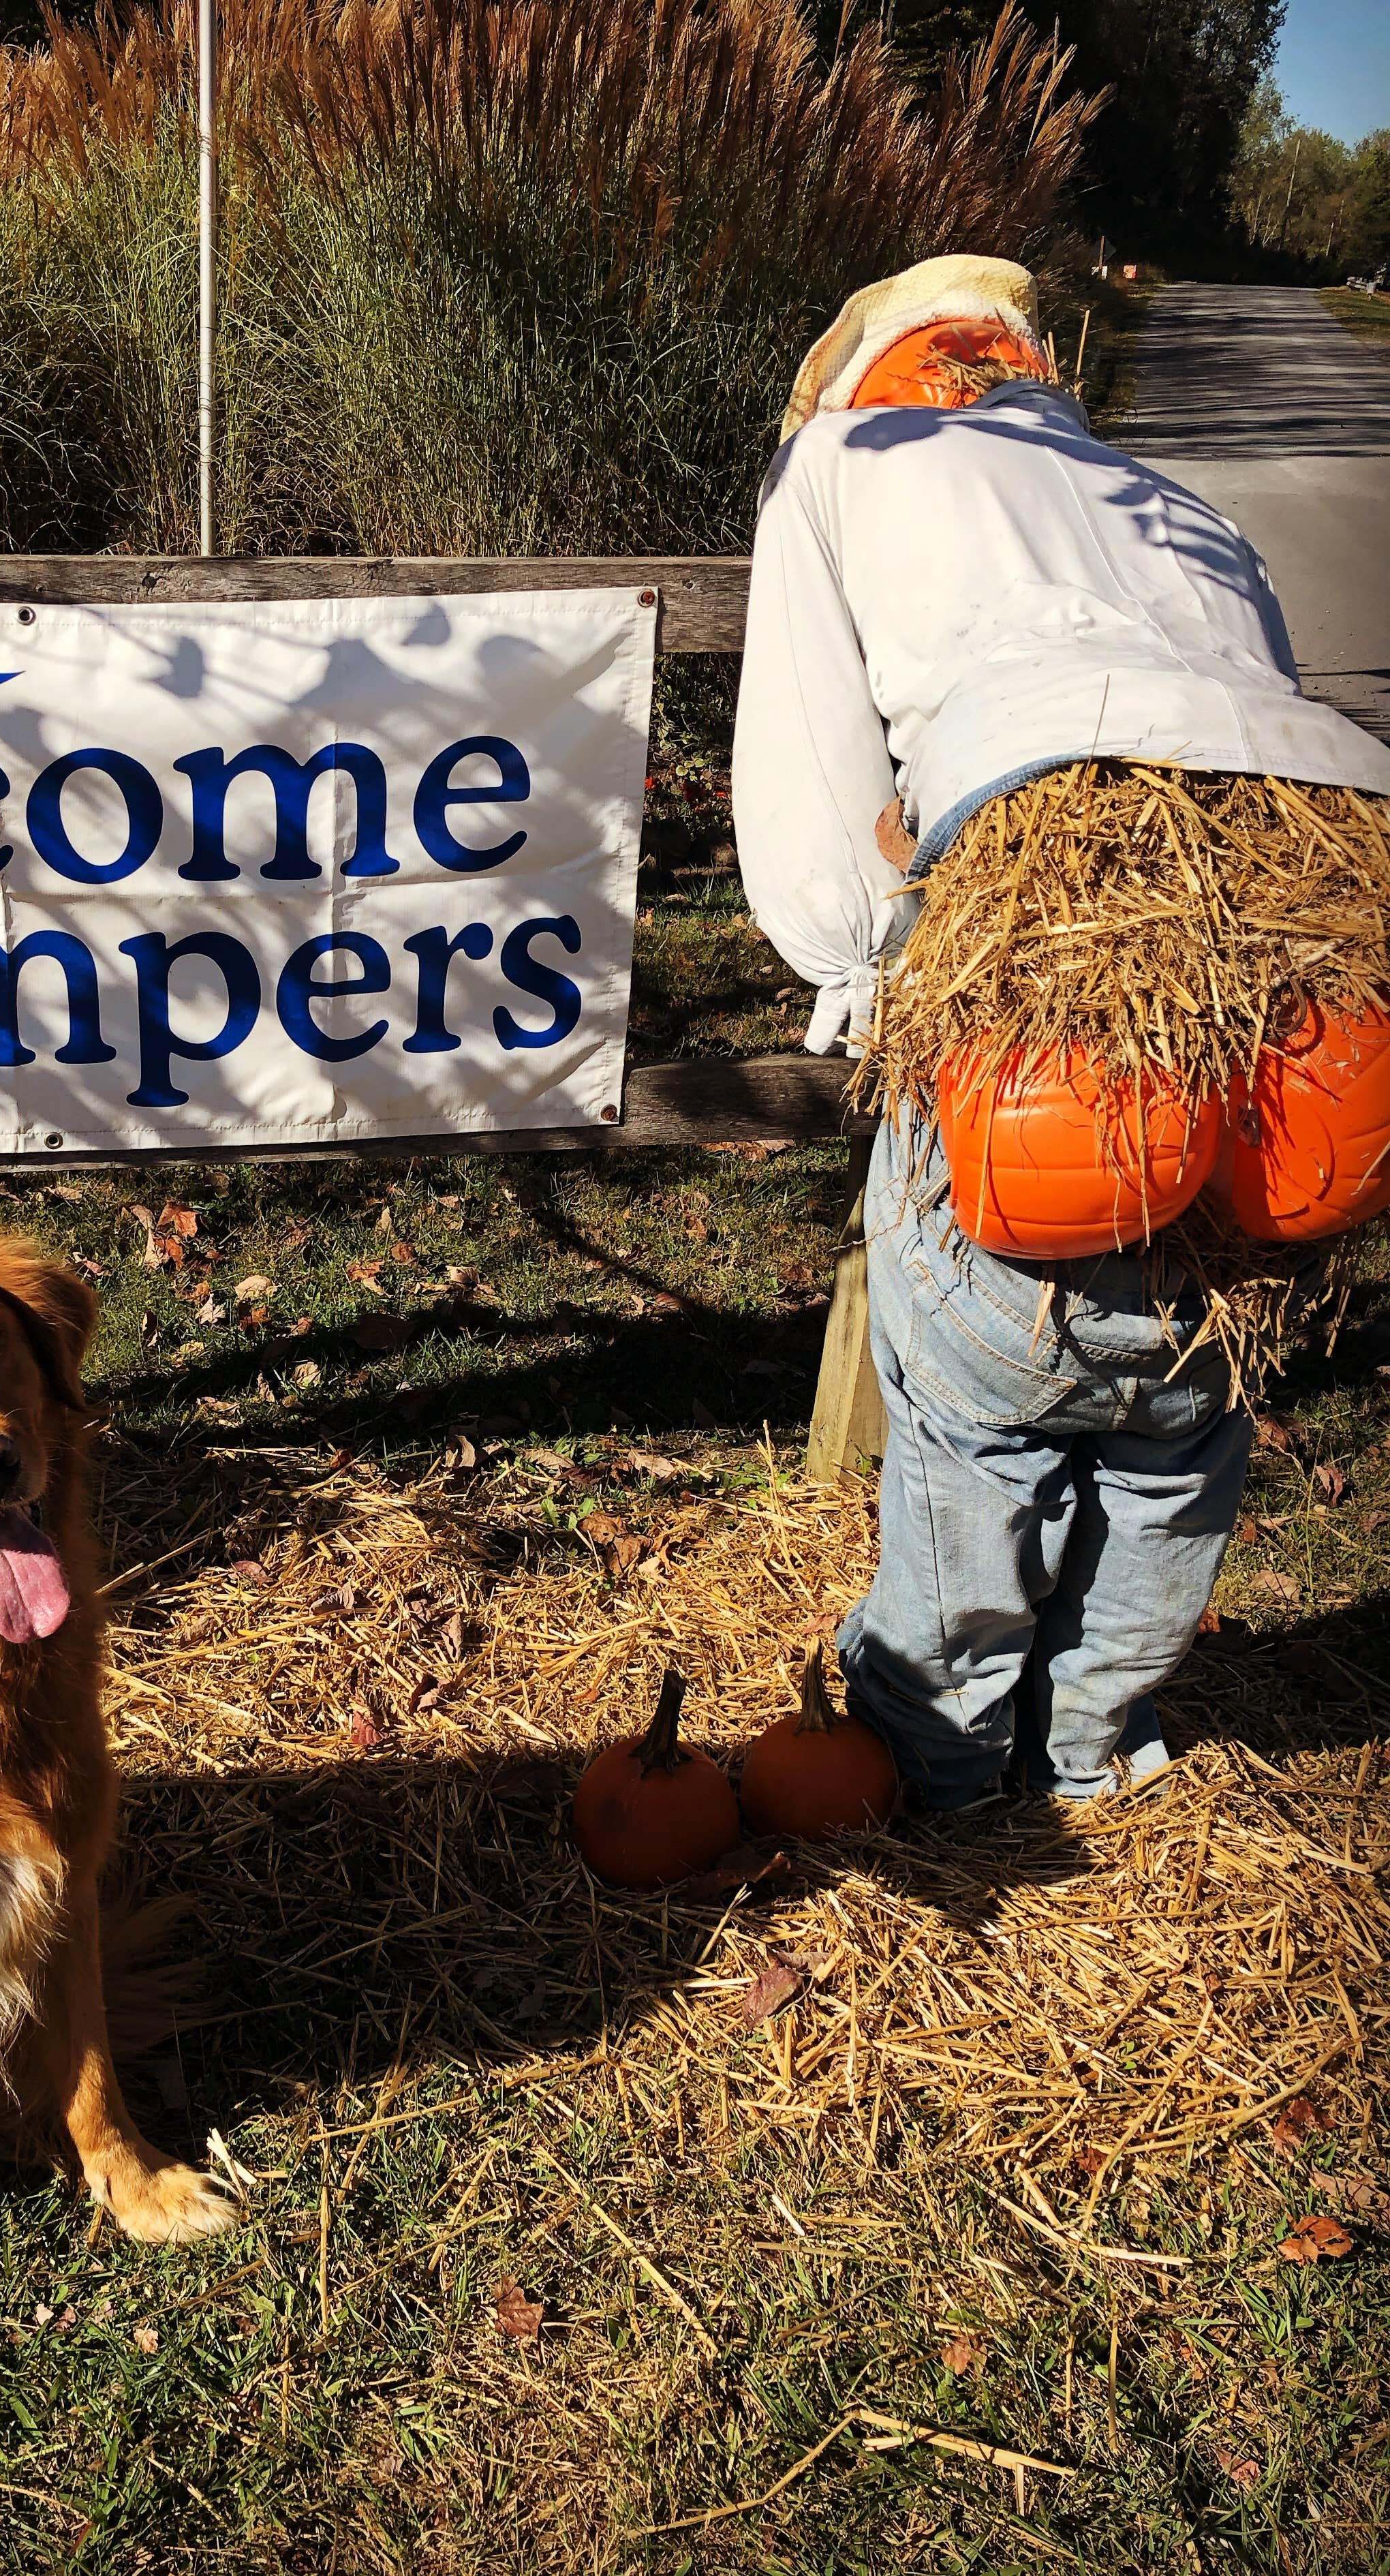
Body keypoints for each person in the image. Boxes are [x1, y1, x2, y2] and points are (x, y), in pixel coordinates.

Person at [730, 254, 1390, 1809]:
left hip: (1043, 996)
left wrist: (870, 974)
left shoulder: (843, 463)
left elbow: (814, 807)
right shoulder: (1179, 509)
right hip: (1303, 1000)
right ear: (1034, 369)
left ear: (862, 373)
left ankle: (949, 1766)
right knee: (1181, 1415)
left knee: (978, 1412)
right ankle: (1103, 1749)